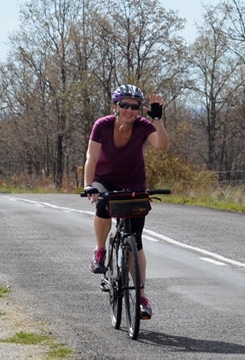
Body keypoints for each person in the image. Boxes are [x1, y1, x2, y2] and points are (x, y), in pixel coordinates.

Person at [82, 84, 168, 319]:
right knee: (102, 205)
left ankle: (140, 297)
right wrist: (89, 185)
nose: (129, 110)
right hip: (105, 181)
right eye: (124, 105)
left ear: (140, 109)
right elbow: (92, 157)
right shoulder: (102, 125)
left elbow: (161, 145)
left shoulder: (143, 126)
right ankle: (100, 251)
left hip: (134, 184)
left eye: (134, 106)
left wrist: (158, 120)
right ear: (115, 106)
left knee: (136, 242)